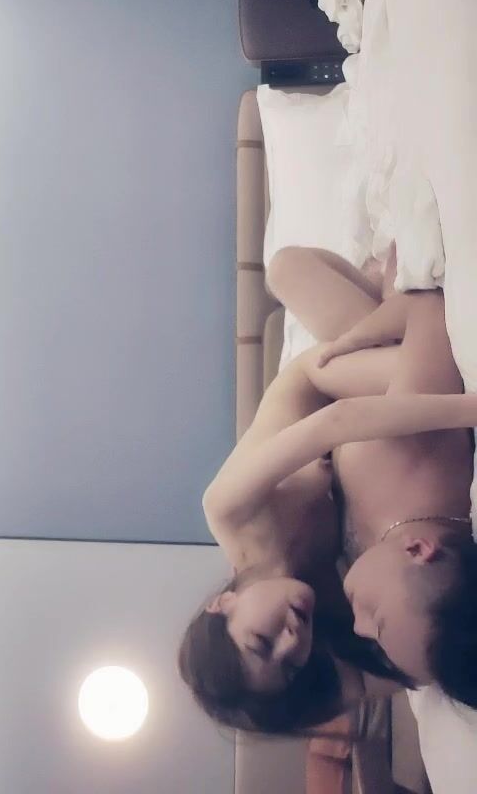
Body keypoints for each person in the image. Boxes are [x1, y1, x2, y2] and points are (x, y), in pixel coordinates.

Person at [178, 246, 477, 733]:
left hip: (323, 384)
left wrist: (468, 408)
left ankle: (393, 301)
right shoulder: (329, 605)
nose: (292, 640)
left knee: (285, 269)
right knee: (413, 373)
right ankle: (391, 301)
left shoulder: (229, 509)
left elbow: (331, 423)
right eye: (290, 665)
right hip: (366, 423)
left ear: (222, 604)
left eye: (261, 641)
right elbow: (401, 669)